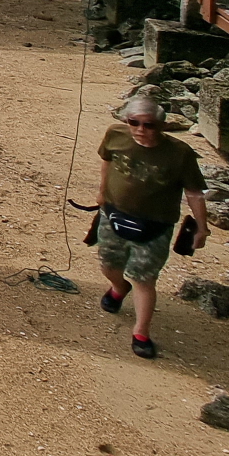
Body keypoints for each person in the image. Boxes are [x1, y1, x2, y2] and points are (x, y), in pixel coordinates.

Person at [93, 94, 208, 358]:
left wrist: (201, 227)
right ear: (127, 121)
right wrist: (101, 192)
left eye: (149, 125)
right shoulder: (115, 135)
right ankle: (119, 288)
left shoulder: (180, 154)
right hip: (113, 214)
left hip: (155, 225)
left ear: (162, 126)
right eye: (134, 123)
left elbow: (194, 192)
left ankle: (141, 332)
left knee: (144, 278)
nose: (141, 130)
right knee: (108, 264)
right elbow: (106, 160)